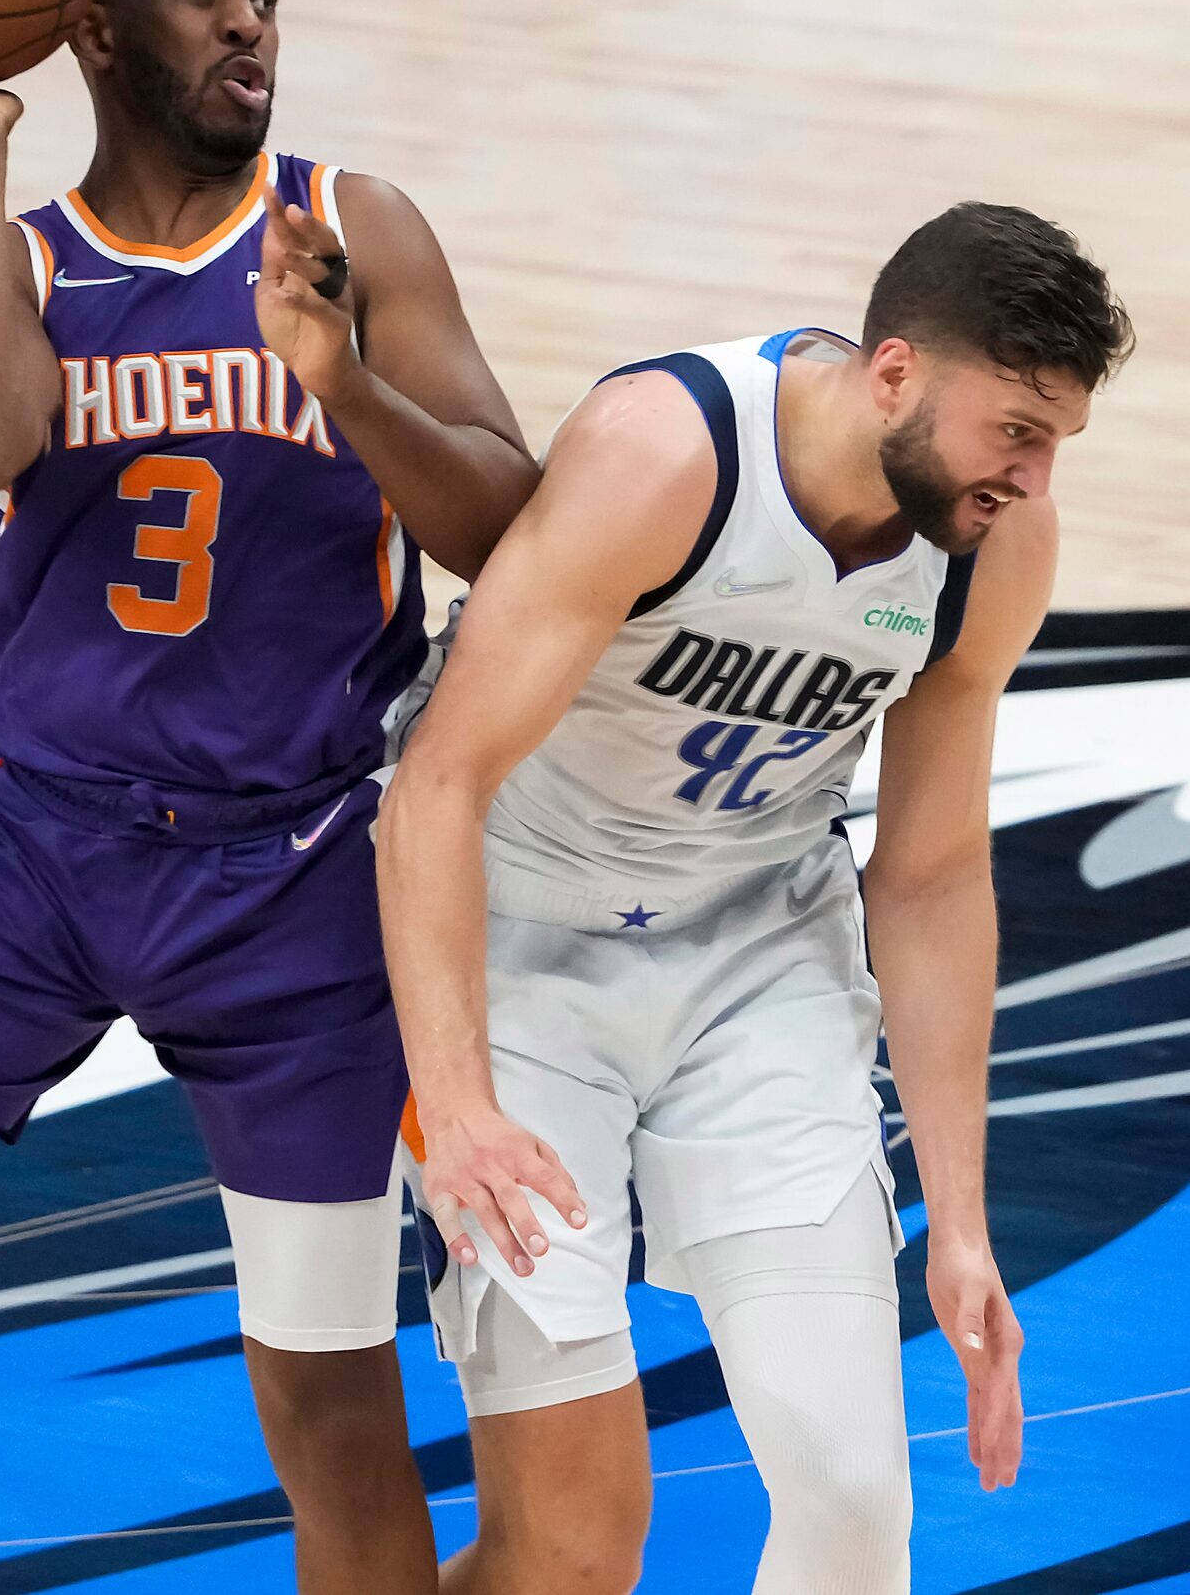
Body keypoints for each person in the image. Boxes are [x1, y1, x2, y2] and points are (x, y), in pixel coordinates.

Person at [0, 0, 538, 1594]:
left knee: (328, 1408)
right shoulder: (16, 257)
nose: (248, 24)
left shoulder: (348, 223)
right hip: (27, 853)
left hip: (294, 876)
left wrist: (345, 377)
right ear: (92, 25)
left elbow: (510, 530)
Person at [377, 202, 1133, 1594]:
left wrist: (960, 1221)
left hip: (755, 967)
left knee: (854, 1505)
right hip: (524, 952)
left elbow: (930, 872)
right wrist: (461, 1097)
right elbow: (435, 784)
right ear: (893, 371)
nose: (1032, 477)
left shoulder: (994, 548)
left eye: (1056, 442)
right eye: (1015, 431)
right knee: (568, 1551)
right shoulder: (666, 452)